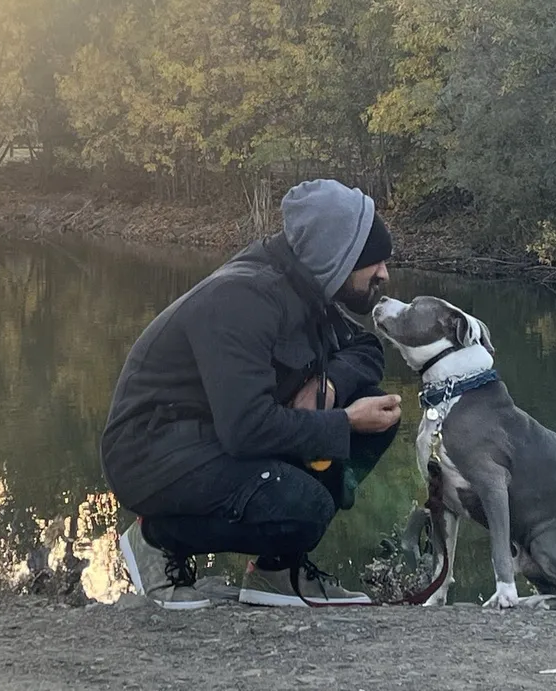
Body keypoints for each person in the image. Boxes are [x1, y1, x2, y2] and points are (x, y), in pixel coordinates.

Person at [100, 178, 404, 609]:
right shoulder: (243, 297)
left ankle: (277, 570)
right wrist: (343, 421)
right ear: (337, 256)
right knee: (305, 505)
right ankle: (156, 539)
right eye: (373, 262)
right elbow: (247, 428)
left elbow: (366, 348)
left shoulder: (306, 290)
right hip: (153, 450)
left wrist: (329, 385)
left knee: (377, 419)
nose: (384, 275)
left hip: (216, 436)